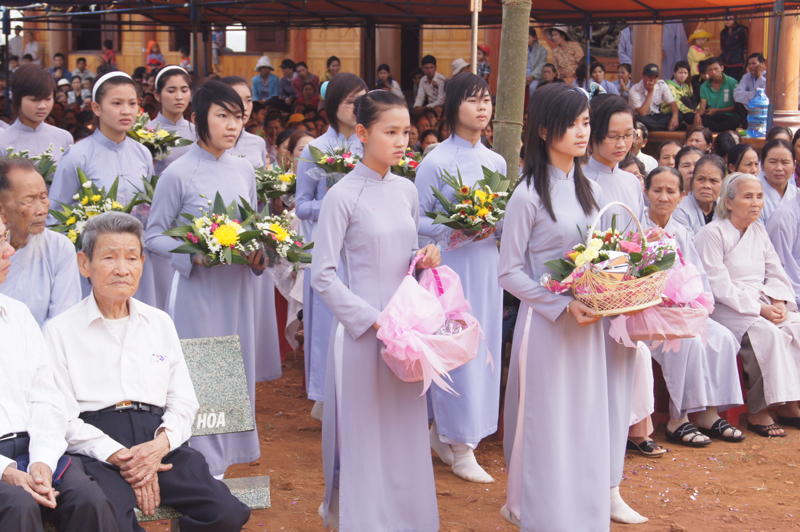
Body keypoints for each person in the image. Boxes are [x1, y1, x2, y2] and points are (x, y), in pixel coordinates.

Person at [44, 211, 251, 531]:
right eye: (110, 257)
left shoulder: (159, 323)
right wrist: (120, 456)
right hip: (97, 450)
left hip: (158, 440)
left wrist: (159, 447)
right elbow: (61, 417)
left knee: (225, 512)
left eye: (131, 258)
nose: (122, 269)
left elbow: (183, 400)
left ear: (143, 263)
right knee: (109, 518)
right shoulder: (59, 330)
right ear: (84, 264)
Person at [311, 89, 441, 531]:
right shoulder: (341, 196)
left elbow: (404, 258)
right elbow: (323, 275)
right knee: (366, 433)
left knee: (405, 428)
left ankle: (408, 518)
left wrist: (424, 258)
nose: (402, 141)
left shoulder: (406, 190)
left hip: (406, 332)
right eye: (391, 132)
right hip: (364, 334)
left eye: (406, 131)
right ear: (362, 134)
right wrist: (372, 319)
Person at [499, 83, 608, 529]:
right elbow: (508, 272)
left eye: (586, 123)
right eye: (572, 124)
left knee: (584, 417)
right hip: (546, 325)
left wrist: (606, 289)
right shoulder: (527, 195)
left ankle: (583, 510)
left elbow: (603, 255)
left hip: (589, 324)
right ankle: (543, 513)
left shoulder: (592, 191)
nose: (582, 132)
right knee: (546, 421)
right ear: (544, 130)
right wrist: (561, 307)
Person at [145, 80, 266, 476]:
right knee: (200, 372)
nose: (233, 126)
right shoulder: (178, 173)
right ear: (199, 120)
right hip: (198, 292)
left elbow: (253, 226)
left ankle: (222, 460)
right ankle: (200, 464)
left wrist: (258, 255)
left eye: (238, 117)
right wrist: (194, 256)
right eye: (222, 116)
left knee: (233, 368)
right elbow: (154, 235)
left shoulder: (244, 168)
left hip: (237, 289)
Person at [0, 217, 118, 532]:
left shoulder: (17, 315)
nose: (9, 251)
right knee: (18, 504)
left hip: (36, 447)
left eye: (5, 237)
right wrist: (6, 470)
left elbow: (46, 397)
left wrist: (42, 461)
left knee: (89, 500)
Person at [415, 72, 504, 484]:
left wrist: (495, 225)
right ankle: (459, 442)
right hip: (452, 268)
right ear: (453, 107)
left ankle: (450, 435)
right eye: (472, 100)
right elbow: (417, 220)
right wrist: (458, 228)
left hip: (486, 264)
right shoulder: (435, 162)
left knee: (482, 345)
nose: (482, 107)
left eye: (485, 99)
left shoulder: (496, 162)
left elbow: (503, 213)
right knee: (457, 346)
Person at [582, 94, 648, 525]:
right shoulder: (575, 179)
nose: (623, 144)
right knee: (583, 397)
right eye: (614, 136)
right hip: (585, 305)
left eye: (630, 135)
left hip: (622, 306)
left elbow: (639, 242)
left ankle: (610, 486)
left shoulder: (630, 183)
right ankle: (579, 482)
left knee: (616, 393)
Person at [644, 166, 745, 446]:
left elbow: (697, 273)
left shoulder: (682, 231)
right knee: (686, 342)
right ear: (646, 192)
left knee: (721, 336)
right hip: (647, 311)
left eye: (670, 191)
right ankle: (679, 419)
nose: (663, 197)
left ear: (681, 195)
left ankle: (709, 413)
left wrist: (697, 305)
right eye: (657, 190)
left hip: (682, 308)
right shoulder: (635, 227)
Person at [695, 173, 800, 437]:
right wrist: (761, 309)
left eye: (759, 196)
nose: (755, 203)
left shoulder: (759, 230)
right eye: (747, 196)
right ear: (729, 203)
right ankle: (758, 411)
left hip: (762, 298)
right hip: (727, 308)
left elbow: (776, 270)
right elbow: (719, 285)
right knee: (766, 335)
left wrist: (778, 301)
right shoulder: (712, 233)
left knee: (796, 327)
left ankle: (790, 403)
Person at [295, 73, 367, 410]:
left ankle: (357, 391)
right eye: (352, 102)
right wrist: (339, 204)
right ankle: (325, 396)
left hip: (364, 250)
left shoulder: (371, 145)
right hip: (329, 249)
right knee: (327, 323)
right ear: (334, 105)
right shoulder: (315, 150)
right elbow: (302, 204)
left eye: (363, 101)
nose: (359, 108)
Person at [221, 76, 281, 384]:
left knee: (252, 311)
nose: (241, 109)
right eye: (233, 102)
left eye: (246, 101)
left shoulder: (257, 144)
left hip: (253, 237)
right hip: (217, 246)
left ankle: (252, 370)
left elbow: (264, 196)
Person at [0, 158, 80, 325]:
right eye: (29, 200)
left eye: (43, 197)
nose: (42, 210)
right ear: (2, 207)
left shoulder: (59, 248)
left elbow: (62, 322)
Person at [0, 65, 73, 161]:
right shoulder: (3, 141)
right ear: (17, 99)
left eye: (48, 99)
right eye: (34, 100)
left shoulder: (64, 138)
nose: (42, 106)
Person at [148, 66, 196, 175]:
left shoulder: (197, 132)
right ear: (157, 95)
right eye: (171, 91)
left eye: (184, 90)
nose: (179, 97)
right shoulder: (146, 133)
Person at [673, 154, 726, 233]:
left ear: (723, 183)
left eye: (713, 181)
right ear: (692, 181)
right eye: (701, 179)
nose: (707, 186)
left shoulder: (726, 208)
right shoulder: (680, 210)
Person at [694, 57, 740, 132]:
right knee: (698, 119)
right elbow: (702, 108)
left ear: (722, 68)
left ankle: (713, 130)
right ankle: (718, 129)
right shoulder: (704, 86)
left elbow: (736, 107)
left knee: (735, 121)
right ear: (707, 72)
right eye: (710, 70)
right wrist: (697, 115)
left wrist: (717, 110)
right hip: (713, 117)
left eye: (716, 69)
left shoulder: (732, 83)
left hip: (729, 116)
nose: (713, 72)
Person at [629, 63, 679, 131]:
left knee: (680, 115)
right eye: (650, 76)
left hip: (657, 116)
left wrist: (675, 116)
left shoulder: (661, 84)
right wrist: (650, 92)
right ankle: (665, 127)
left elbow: (672, 103)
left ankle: (659, 127)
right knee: (640, 120)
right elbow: (642, 113)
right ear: (643, 76)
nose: (652, 80)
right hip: (644, 118)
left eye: (655, 77)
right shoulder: (634, 90)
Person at [759, 138, 797, 223]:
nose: (779, 168)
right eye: (772, 162)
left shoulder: (797, 195)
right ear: (762, 165)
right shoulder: (753, 196)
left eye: (785, 162)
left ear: (794, 165)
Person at [665, 61, 695, 125]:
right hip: (670, 111)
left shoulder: (686, 86)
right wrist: (692, 111)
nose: (683, 75)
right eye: (680, 73)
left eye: (685, 73)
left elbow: (691, 101)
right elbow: (676, 102)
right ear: (674, 73)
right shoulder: (669, 85)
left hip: (684, 111)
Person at [526, 28, 547, 96]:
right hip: (522, 75)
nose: (526, 40)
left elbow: (541, 65)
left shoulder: (542, 50)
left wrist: (533, 76)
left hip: (535, 75)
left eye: (528, 37)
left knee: (533, 87)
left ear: (534, 38)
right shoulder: (520, 49)